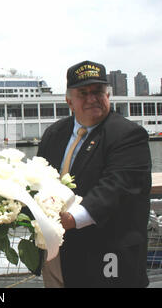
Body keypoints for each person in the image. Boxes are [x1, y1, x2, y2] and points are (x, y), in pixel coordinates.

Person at [37, 60, 151, 288]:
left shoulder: (128, 135)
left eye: (98, 91)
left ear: (108, 95)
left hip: (107, 256)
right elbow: (37, 178)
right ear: (69, 101)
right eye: (83, 93)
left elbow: (115, 188)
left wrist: (69, 219)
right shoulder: (54, 133)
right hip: (58, 255)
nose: (92, 98)